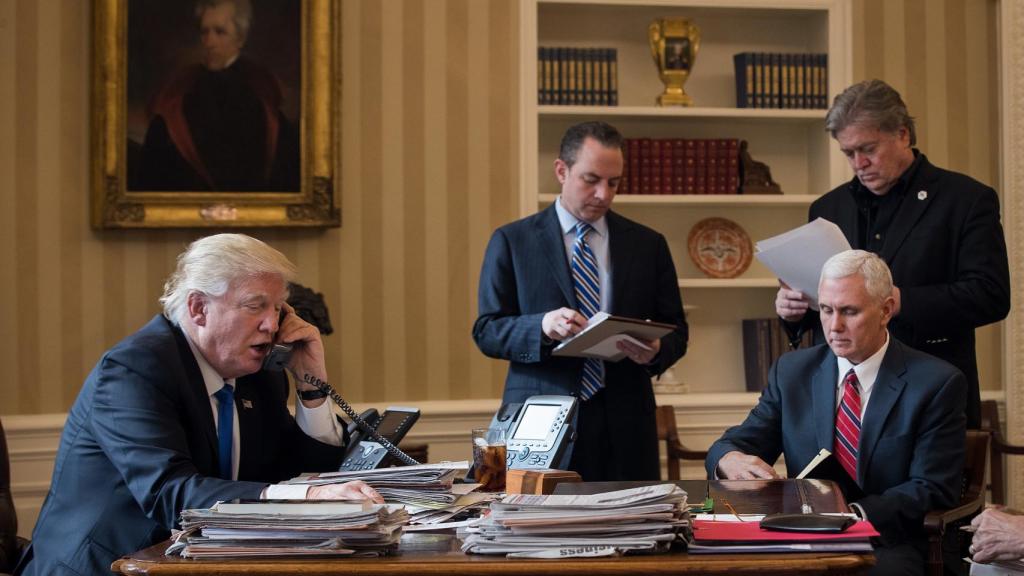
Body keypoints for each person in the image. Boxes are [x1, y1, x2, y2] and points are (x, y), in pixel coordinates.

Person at [17, 234, 381, 575]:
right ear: (198, 308)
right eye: (256, 306)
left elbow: (297, 475)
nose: (272, 325)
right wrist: (308, 495)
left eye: (278, 309)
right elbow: (170, 494)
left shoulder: (260, 374)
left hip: (202, 563)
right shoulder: (135, 370)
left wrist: (311, 386)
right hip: (108, 565)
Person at [708, 250, 966, 575]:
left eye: (849, 311)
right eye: (827, 310)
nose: (834, 326)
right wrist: (727, 459)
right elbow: (736, 443)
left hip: (889, 541)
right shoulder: (792, 372)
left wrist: (850, 513)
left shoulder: (936, 382)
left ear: (886, 310)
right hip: (799, 535)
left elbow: (931, 486)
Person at [775, 79, 1010, 429]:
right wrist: (792, 312)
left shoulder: (966, 200)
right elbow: (825, 310)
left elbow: (990, 295)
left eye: (867, 148)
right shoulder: (828, 208)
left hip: (931, 392)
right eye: (848, 153)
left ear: (902, 134)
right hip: (843, 397)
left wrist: (901, 300)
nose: (859, 162)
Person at [473, 121, 688, 482]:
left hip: (626, 422)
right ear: (561, 170)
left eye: (614, 182)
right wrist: (541, 326)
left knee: (633, 529)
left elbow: (677, 331)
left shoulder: (647, 244)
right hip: (540, 423)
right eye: (591, 179)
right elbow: (486, 331)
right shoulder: (513, 240)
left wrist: (656, 351)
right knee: (538, 533)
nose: (603, 194)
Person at [137, 0, 299, 191]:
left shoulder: (261, 91)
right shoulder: (182, 88)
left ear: (241, 38)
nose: (209, 42)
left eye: (220, 32)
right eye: (204, 32)